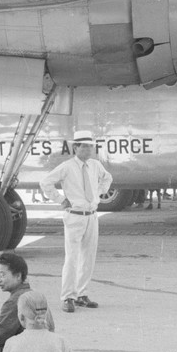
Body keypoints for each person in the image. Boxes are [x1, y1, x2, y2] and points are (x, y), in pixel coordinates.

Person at [40, 130, 113, 313]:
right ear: (76, 147)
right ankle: (67, 297)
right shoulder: (67, 167)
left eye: (90, 146)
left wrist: (99, 192)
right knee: (72, 258)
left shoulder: (95, 165)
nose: (88, 149)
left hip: (91, 215)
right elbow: (46, 182)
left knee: (88, 257)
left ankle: (81, 294)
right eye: (84, 146)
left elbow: (107, 178)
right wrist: (60, 200)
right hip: (74, 216)